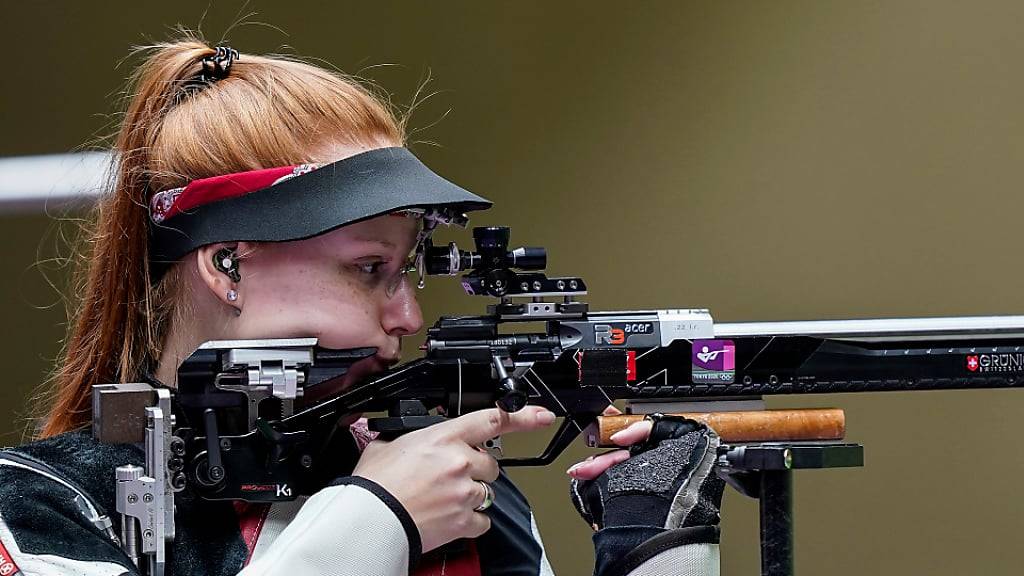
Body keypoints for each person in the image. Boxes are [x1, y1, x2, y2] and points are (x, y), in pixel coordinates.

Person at [0, 39, 724, 576]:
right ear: (227, 265)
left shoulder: (459, 492)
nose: (407, 315)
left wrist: (653, 544)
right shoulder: (44, 503)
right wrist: (378, 518)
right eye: (369, 268)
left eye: (406, 268)